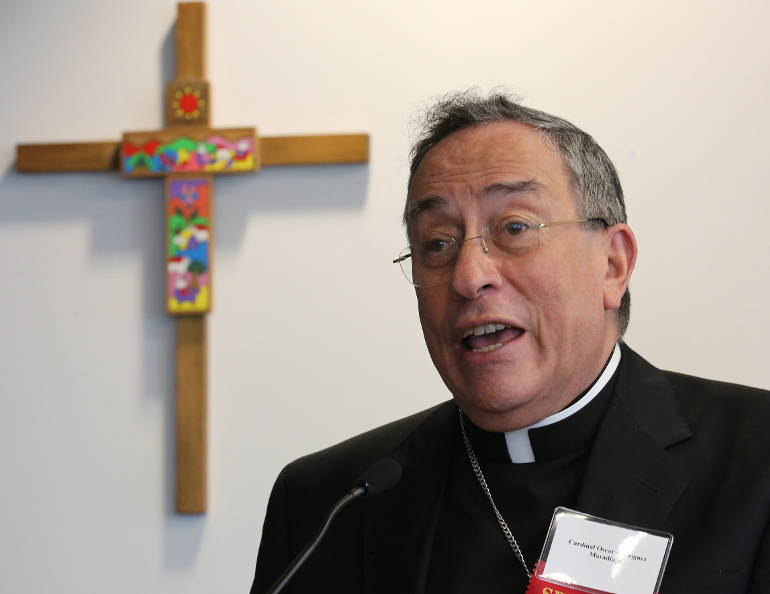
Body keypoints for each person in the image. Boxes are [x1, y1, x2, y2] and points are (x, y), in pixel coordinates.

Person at [249, 90, 770, 594]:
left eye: (515, 227)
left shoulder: (755, 462)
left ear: (612, 266)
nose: (468, 276)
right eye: (436, 243)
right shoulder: (328, 503)